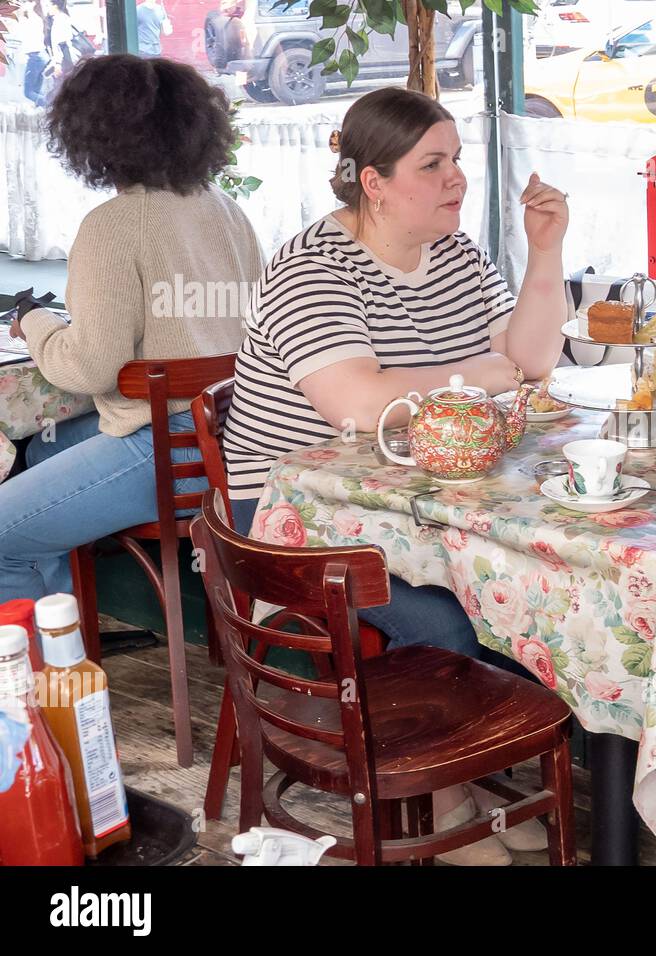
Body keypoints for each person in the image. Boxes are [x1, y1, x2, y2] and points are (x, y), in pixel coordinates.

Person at [222, 86, 569, 863]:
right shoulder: (313, 268)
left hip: (413, 504)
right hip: (292, 516)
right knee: (450, 620)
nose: (457, 180)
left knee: (525, 584)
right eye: (433, 163)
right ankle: (446, 799)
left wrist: (544, 250)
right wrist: (478, 374)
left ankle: (464, 771)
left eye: (457, 160)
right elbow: (358, 404)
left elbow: (531, 360)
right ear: (374, 183)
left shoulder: (453, 252)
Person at [0, 56, 263, 607]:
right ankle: (66, 624)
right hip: (236, 446)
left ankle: (44, 683)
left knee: (3, 534)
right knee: (41, 456)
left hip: (164, 453)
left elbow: (90, 366)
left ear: (91, 135)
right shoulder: (228, 211)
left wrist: (35, 323)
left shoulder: (112, 226)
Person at [11, 1, 50, 107]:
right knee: (36, 91)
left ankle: (52, 106)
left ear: (33, 3)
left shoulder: (30, 20)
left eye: (25, 2)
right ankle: (46, 111)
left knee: (28, 93)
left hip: (35, 57)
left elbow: (17, 34)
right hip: (40, 57)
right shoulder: (36, 18)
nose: (22, 4)